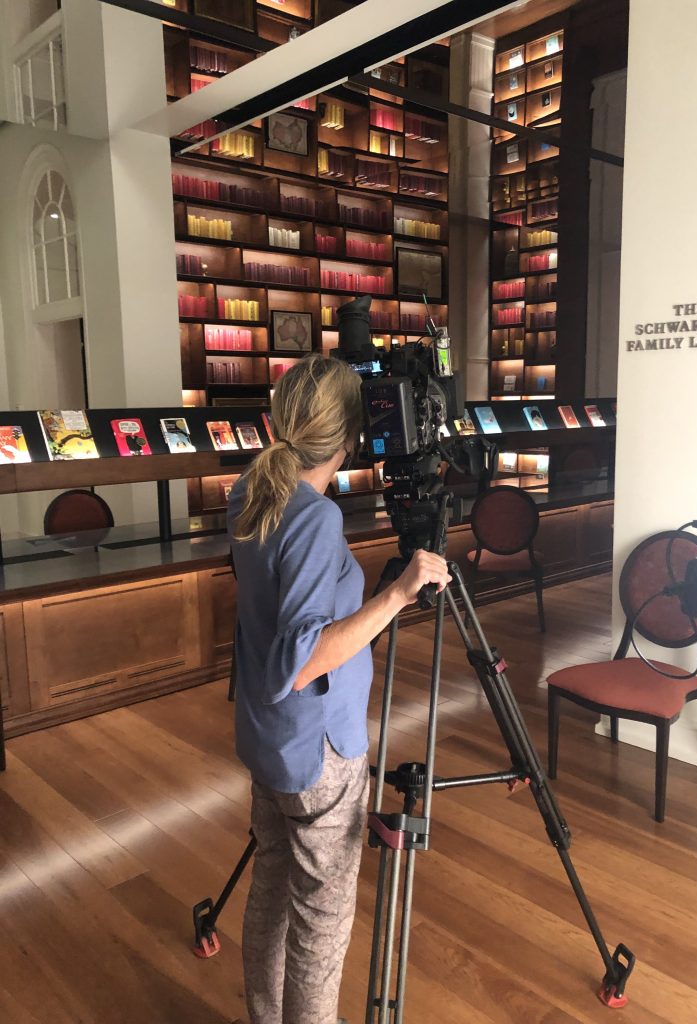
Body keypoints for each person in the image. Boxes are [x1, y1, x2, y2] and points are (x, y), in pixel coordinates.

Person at [227, 354, 451, 1024]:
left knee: (271, 887)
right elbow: (304, 657)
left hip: (265, 735)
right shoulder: (315, 520)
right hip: (315, 746)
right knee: (320, 922)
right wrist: (399, 593)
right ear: (352, 438)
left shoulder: (252, 489)